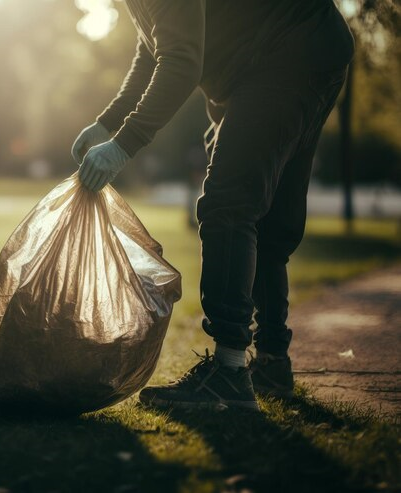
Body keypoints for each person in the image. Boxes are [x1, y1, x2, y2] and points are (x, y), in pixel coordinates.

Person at [72, 0, 354, 411]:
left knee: (228, 204)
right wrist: (107, 121)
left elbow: (182, 62)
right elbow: (153, 48)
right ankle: (272, 361)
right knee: (266, 211)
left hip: (284, 53)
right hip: (305, 51)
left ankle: (229, 372)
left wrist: (123, 145)